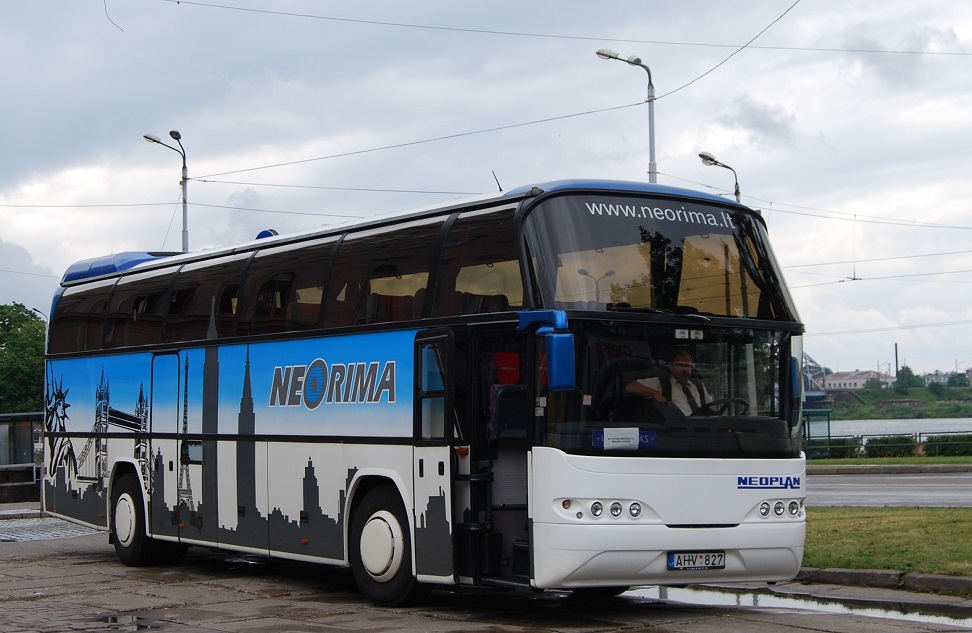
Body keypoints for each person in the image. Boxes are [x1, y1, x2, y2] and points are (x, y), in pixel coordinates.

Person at [625, 348, 712, 416]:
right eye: (680, 365)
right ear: (671, 367)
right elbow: (630, 387)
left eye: (688, 366)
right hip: (675, 431)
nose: (685, 369)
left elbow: (711, 409)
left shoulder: (698, 385)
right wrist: (655, 393)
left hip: (700, 431)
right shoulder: (661, 382)